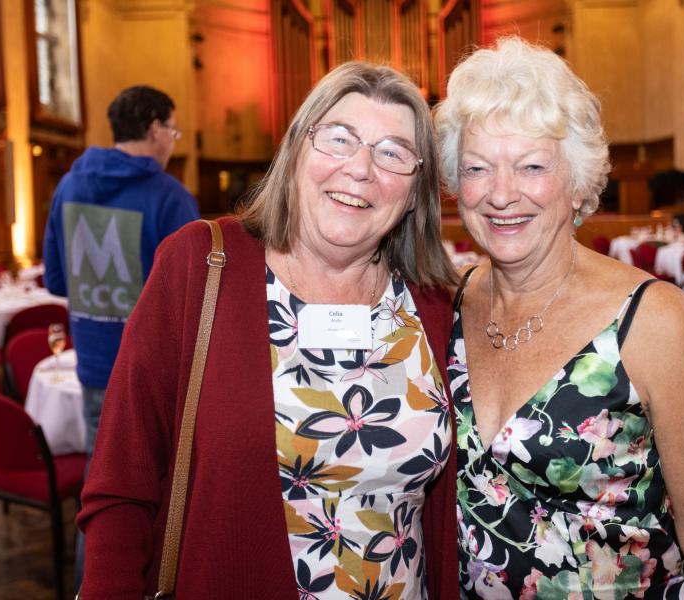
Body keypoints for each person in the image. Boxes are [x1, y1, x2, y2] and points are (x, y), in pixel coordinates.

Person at [76, 62, 460, 599]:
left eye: (393, 152)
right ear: (297, 150)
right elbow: (121, 482)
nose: (360, 168)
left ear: (416, 188)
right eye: (339, 138)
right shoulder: (200, 265)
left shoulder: (434, 305)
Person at [435, 37, 684, 599]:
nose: (501, 194)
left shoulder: (657, 323)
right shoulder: (447, 306)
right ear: (457, 185)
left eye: (532, 166)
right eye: (478, 168)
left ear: (578, 183)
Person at [42, 84, 199, 588]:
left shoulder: (68, 186)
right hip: (156, 373)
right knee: (171, 491)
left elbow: (57, 280)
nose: (172, 142)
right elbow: (197, 298)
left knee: (104, 495)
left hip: (92, 365)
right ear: (154, 128)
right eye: (172, 131)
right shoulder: (169, 198)